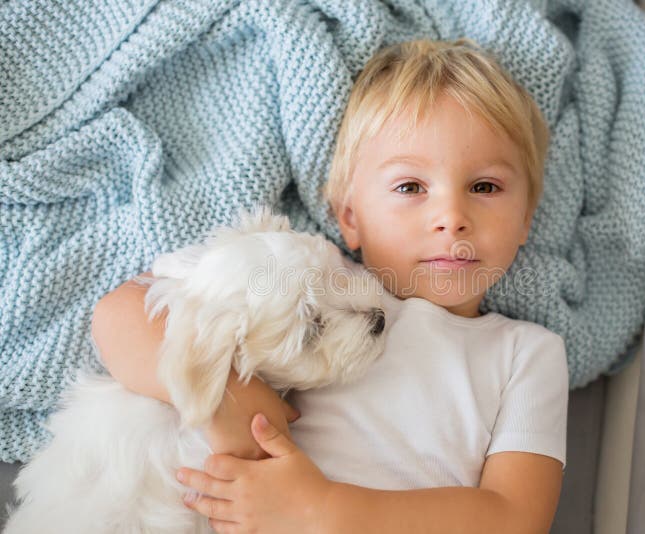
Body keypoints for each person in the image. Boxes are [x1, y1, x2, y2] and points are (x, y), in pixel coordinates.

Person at [92, 37, 568, 533]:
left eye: (485, 186)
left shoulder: (526, 353)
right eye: (410, 187)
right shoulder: (312, 280)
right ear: (350, 217)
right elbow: (119, 313)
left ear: (525, 219)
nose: (451, 217)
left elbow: (515, 517)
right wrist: (226, 400)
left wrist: (322, 507)